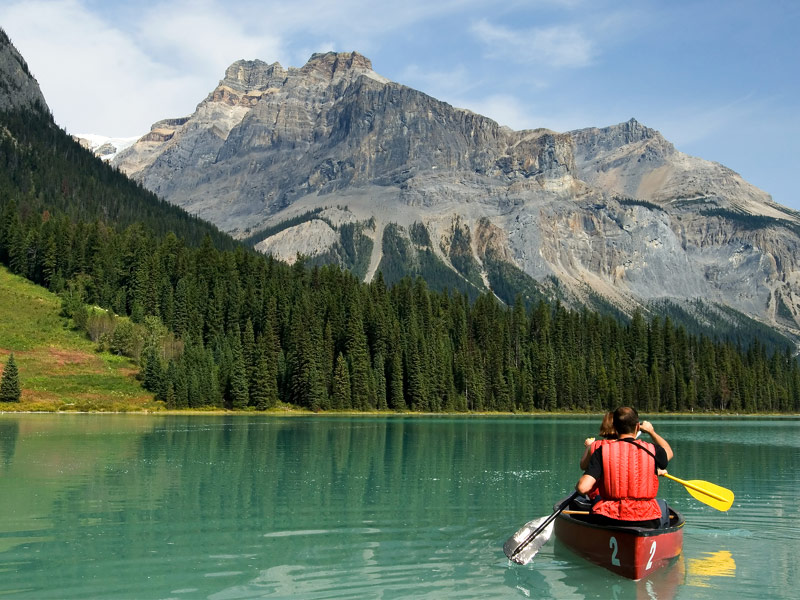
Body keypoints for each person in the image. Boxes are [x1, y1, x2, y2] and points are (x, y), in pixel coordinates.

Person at [575, 406, 673, 528]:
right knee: (662, 506)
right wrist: (651, 432)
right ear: (637, 427)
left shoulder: (602, 451)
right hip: (647, 519)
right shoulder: (653, 450)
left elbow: (583, 488)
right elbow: (668, 452)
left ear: (615, 427)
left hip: (610, 518)